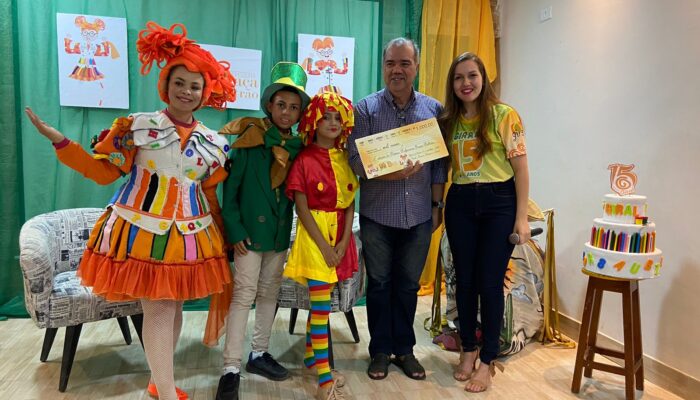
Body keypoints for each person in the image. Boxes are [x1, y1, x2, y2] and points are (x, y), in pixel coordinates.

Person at [25, 21, 236, 400]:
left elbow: (210, 193)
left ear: (205, 91)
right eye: (179, 83)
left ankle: (159, 383)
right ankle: (167, 393)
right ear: (166, 85)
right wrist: (62, 142)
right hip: (140, 234)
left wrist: (226, 236)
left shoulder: (214, 143)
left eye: (195, 85)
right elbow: (103, 171)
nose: (187, 91)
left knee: (172, 311)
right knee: (157, 310)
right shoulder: (138, 127)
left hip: (190, 238)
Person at [347, 37, 447, 381]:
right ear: (383, 66)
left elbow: (438, 166)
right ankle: (379, 351)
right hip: (378, 216)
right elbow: (355, 161)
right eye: (391, 63)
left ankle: (404, 350)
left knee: (407, 287)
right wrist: (391, 172)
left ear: (416, 67)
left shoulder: (433, 110)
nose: (397, 70)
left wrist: (437, 207)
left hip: (419, 215)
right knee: (379, 285)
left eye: (405, 63)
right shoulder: (365, 110)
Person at [212, 62, 310, 400]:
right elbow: (231, 193)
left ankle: (259, 353)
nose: (287, 112)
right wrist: (235, 230)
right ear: (270, 105)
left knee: (269, 294)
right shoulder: (250, 141)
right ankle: (230, 368)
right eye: (281, 104)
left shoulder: (299, 148)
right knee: (243, 295)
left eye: (294, 107)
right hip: (249, 237)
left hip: (278, 237)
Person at [438, 52, 530, 393]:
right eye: (459, 77)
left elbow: (521, 169)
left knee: (490, 285)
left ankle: (488, 361)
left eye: (472, 75)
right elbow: (439, 169)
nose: (466, 83)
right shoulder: (448, 121)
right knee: (464, 283)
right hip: (460, 202)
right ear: (453, 84)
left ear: (483, 78)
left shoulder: (505, 116)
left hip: (499, 203)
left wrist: (521, 218)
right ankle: (468, 350)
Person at [284, 88, 357, 400]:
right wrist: (324, 246)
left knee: (323, 302)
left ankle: (312, 357)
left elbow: (351, 202)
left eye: (337, 117)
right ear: (314, 120)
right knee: (321, 308)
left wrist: (342, 241)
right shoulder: (303, 159)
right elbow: (301, 209)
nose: (332, 122)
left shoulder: (345, 158)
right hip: (314, 237)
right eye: (325, 116)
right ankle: (324, 379)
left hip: (339, 235)